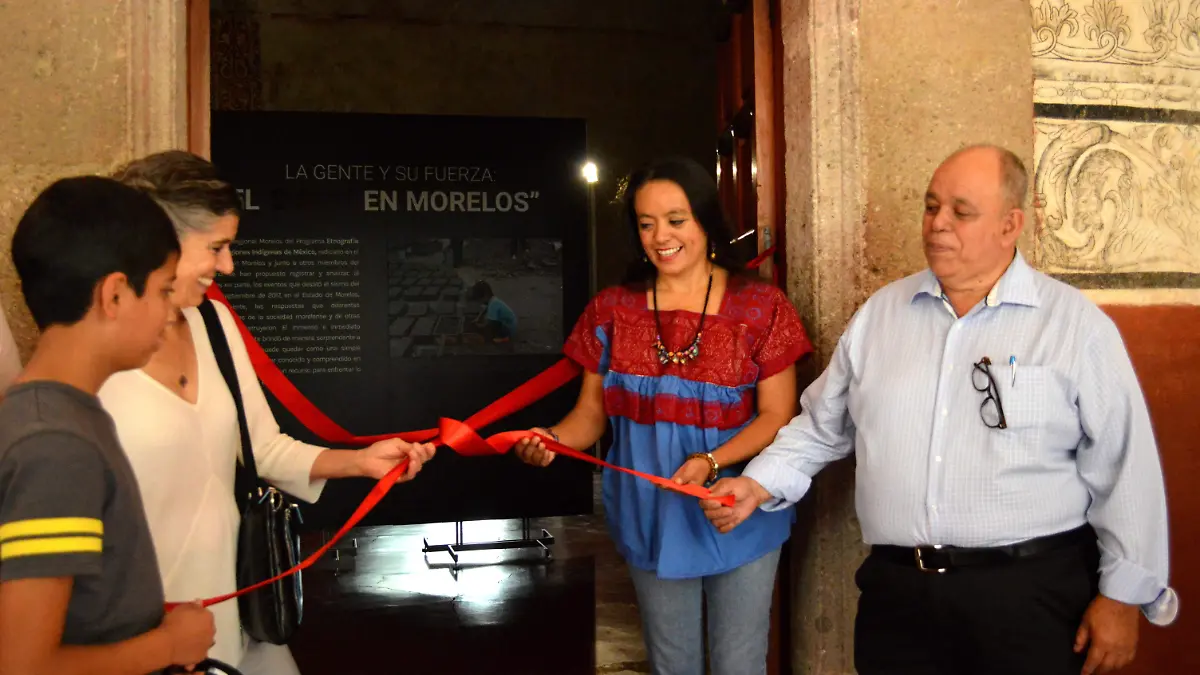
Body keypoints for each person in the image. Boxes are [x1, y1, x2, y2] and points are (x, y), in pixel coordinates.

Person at [703, 145, 1178, 675]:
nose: (938, 224)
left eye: (961, 211)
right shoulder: (882, 315)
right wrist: (758, 483)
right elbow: (821, 426)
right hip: (900, 599)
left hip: (1029, 597)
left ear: (1010, 224)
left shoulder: (1072, 326)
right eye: (931, 207)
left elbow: (1124, 467)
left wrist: (1123, 596)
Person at [96, 150, 438, 675]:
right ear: (157, 238)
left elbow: (262, 446)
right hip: (137, 632)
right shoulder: (91, 352)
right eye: (217, 247)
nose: (228, 266)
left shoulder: (215, 324)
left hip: (235, 615)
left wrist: (360, 461)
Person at [513, 157, 813, 675]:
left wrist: (712, 461)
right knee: (670, 664)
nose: (661, 236)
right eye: (646, 223)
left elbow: (778, 417)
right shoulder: (612, 310)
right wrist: (551, 438)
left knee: (739, 664)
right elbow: (590, 416)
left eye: (676, 220)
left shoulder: (762, 306)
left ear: (704, 220)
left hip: (735, 504)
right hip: (649, 508)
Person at [0, 176, 216, 674]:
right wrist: (169, 646)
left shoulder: (59, 417)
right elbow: (23, 667)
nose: (168, 314)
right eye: (163, 291)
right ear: (114, 295)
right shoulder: (55, 446)